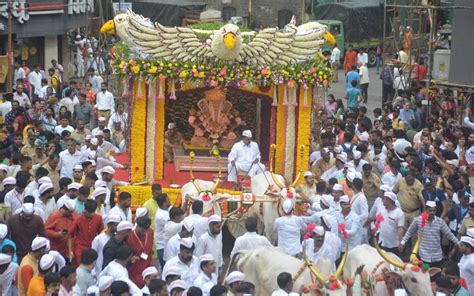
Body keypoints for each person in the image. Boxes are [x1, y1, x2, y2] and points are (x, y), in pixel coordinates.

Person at [400, 201, 460, 268]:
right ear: (426, 210)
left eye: (434, 211)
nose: (432, 213)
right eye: (430, 210)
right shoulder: (418, 220)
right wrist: (403, 242)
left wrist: (458, 243)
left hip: (437, 256)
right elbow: (409, 232)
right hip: (424, 256)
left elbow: (449, 234)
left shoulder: (440, 222)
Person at [68, 199, 103, 267]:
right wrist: (70, 251)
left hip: (93, 248)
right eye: (90, 212)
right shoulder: (78, 219)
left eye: (93, 212)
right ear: (85, 210)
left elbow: (101, 234)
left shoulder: (99, 218)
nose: (92, 214)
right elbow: (70, 235)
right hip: (80, 249)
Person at [367, 191, 405, 256]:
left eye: (384, 199)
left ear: (389, 200)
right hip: (382, 242)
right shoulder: (383, 210)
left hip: (393, 245)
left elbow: (400, 229)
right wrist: (374, 229)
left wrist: (401, 242)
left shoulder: (399, 213)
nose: (383, 201)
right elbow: (378, 220)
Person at [128, 216, 154, 287]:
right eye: (142, 231)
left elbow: (150, 247)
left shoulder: (150, 232)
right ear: (137, 226)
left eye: (146, 230)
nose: (144, 233)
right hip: (135, 270)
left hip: (148, 265)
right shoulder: (129, 236)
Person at [154, 192, 170, 269]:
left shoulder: (165, 208)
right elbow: (175, 224)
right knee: (166, 269)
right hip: (163, 247)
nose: (170, 201)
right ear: (164, 203)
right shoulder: (161, 216)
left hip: (166, 244)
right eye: (168, 200)